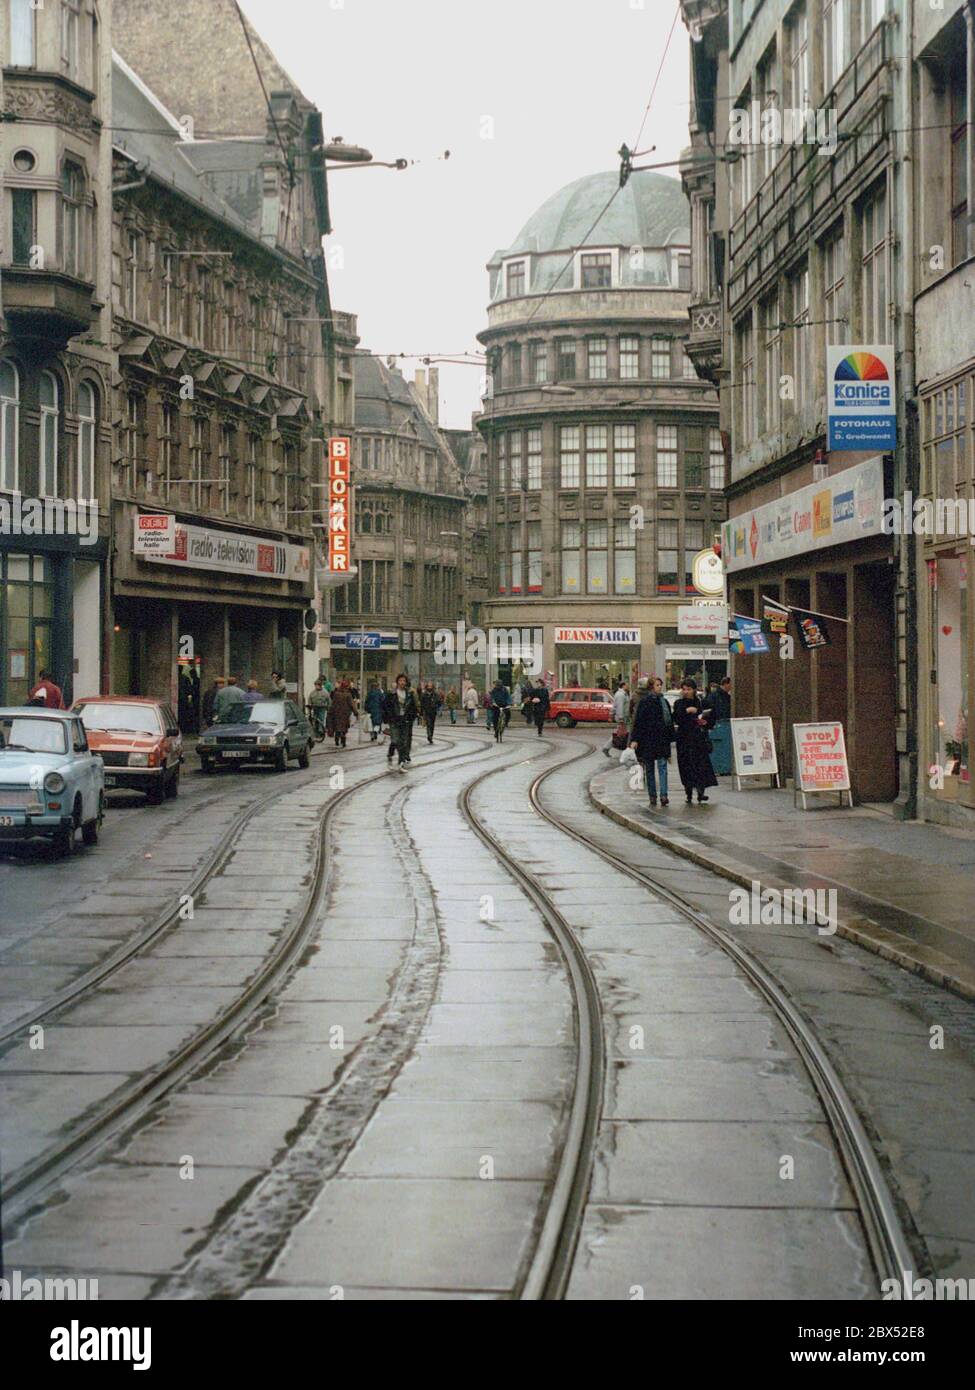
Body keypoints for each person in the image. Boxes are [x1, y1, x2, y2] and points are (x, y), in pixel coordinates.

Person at [672, 679, 718, 804]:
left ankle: (701, 791)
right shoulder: (679, 703)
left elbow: (710, 717)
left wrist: (705, 721)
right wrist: (686, 711)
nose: (686, 692)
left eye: (689, 689)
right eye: (684, 689)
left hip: (698, 739)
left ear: (694, 690)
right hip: (684, 739)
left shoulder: (701, 703)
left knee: (700, 765)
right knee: (686, 765)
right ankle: (688, 792)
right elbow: (676, 718)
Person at [630, 677, 673, 807]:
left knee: (662, 767)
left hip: (661, 740)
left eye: (661, 685)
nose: (660, 687)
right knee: (649, 769)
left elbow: (669, 722)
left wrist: (670, 739)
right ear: (651, 687)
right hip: (648, 740)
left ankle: (664, 795)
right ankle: (653, 796)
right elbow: (638, 722)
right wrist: (635, 739)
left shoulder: (664, 702)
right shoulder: (645, 702)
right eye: (657, 685)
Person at [383, 673, 419, 770]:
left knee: (403, 742)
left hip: (405, 720)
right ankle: (390, 754)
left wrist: (411, 717)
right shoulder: (391, 693)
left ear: (406, 682)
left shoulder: (409, 694)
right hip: (394, 720)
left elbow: (413, 707)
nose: (402, 683)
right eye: (400, 681)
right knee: (395, 740)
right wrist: (387, 718)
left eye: (404, 681)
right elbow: (386, 706)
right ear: (397, 682)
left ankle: (401, 763)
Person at [604, 681, 632, 757]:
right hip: (623, 718)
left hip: (624, 718)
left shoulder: (623, 694)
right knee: (621, 734)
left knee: (619, 733)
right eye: (627, 685)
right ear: (623, 686)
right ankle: (607, 747)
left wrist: (611, 714)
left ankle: (607, 747)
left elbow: (614, 706)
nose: (628, 686)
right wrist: (621, 718)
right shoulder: (621, 695)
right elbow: (619, 707)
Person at [327, 679, 355, 748]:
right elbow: (352, 705)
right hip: (345, 714)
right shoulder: (348, 695)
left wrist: (330, 711)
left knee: (337, 727)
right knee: (344, 727)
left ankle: (337, 739)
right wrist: (356, 713)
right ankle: (343, 740)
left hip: (337, 713)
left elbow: (333, 703)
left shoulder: (336, 694)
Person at [420, 680, 440, 745]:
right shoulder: (424, 694)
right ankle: (429, 736)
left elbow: (439, 702)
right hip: (427, 711)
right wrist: (421, 712)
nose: (429, 687)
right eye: (428, 686)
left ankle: (431, 735)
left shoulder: (435, 694)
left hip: (433, 712)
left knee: (432, 725)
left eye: (431, 686)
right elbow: (422, 703)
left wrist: (436, 706)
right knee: (428, 724)